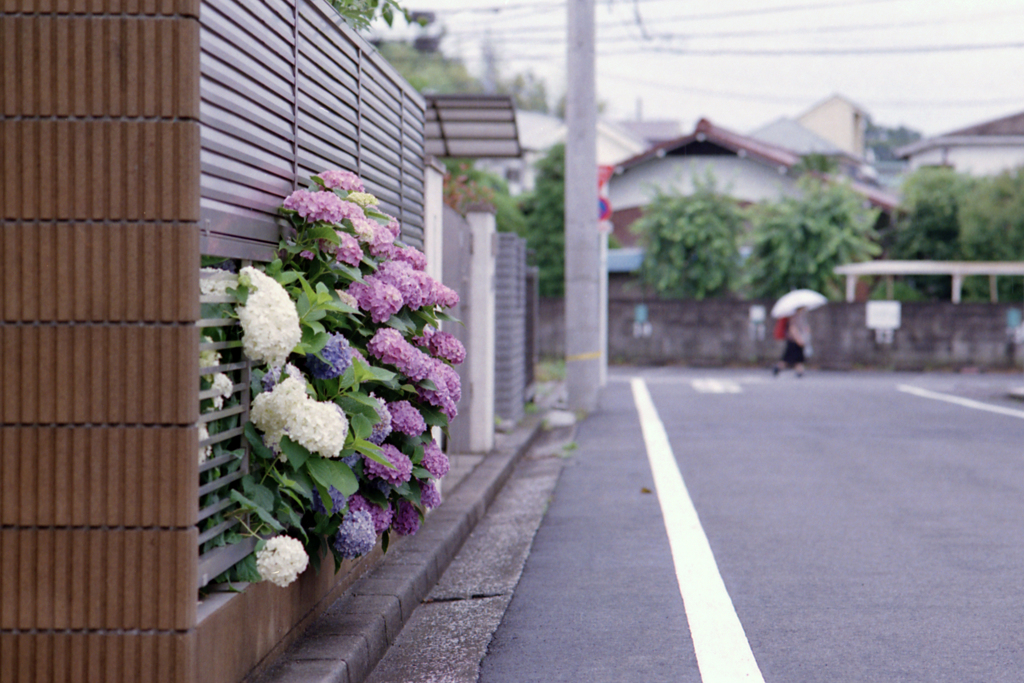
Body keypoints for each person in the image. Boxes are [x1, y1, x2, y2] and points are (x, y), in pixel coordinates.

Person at [773, 306, 810, 377]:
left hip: (797, 340)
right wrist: (798, 339)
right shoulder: (795, 316)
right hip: (794, 341)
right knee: (787, 358)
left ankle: (800, 371)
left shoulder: (800, 316)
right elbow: (792, 328)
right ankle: (777, 368)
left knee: (799, 358)